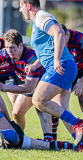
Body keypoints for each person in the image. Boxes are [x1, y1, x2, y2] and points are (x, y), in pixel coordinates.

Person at [18, 0, 83, 147]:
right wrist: (35, 65)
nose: (20, 10)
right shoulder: (37, 21)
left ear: (28, 5)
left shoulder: (41, 16)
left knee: (38, 100)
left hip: (62, 66)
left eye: (20, 6)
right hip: (65, 66)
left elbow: (58, 32)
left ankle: (78, 124)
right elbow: (47, 48)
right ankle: (81, 142)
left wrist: (56, 60)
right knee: (62, 109)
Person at [0, 29, 53, 141]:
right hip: (31, 84)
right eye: (7, 47)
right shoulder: (6, 52)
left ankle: (49, 140)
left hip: (45, 82)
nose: (9, 51)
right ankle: (20, 138)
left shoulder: (30, 59)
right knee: (17, 113)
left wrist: (5, 88)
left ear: (20, 45)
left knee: (41, 105)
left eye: (12, 47)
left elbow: (29, 87)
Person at [51, 24, 83, 141]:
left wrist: (81, 82)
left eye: (61, 38)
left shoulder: (80, 39)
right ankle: (52, 138)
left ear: (67, 34)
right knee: (53, 101)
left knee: (82, 97)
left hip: (81, 71)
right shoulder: (54, 38)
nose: (59, 41)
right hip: (68, 71)